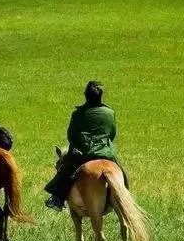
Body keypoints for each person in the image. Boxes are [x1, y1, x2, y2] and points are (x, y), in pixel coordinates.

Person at [44, 80, 126, 211]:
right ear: (100, 96)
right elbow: (112, 133)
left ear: (86, 96)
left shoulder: (77, 114)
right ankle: (126, 198)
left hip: (83, 154)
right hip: (106, 152)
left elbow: (71, 136)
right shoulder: (110, 112)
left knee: (64, 171)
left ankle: (57, 199)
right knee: (122, 172)